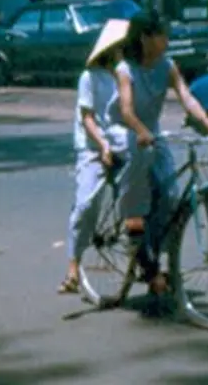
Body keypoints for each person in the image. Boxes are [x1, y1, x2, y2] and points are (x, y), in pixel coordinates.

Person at [109, 8, 208, 296]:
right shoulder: (126, 69)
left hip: (152, 132)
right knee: (140, 171)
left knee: (170, 195)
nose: (167, 41)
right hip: (125, 130)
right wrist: (140, 130)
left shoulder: (167, 66)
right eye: (162, 36)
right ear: (146, 38)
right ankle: (134, 225)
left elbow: (186, 96)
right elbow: (125, 109)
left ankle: (153, 253)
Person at [59, 18, 129, 295]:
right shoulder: (90, 77)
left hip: (121, 143)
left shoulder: (126, 76)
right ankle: (73, 265)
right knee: (87, 203)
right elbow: (87, 118)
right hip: (93, 145)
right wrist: (102, 146)